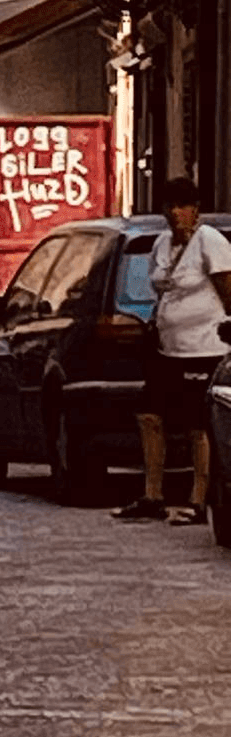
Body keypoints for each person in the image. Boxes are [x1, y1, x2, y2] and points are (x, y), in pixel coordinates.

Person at [113, 176, 231, 524]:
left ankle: (198, 500)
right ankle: (153, 494)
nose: (177, 213)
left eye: (184, 206)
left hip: (203, 348)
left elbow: (227, 290)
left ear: (196, 210)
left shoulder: (210, 242)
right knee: (149, 415)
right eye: (171, 206)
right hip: (168, 348)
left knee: (199, 425)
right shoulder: (162, 245)